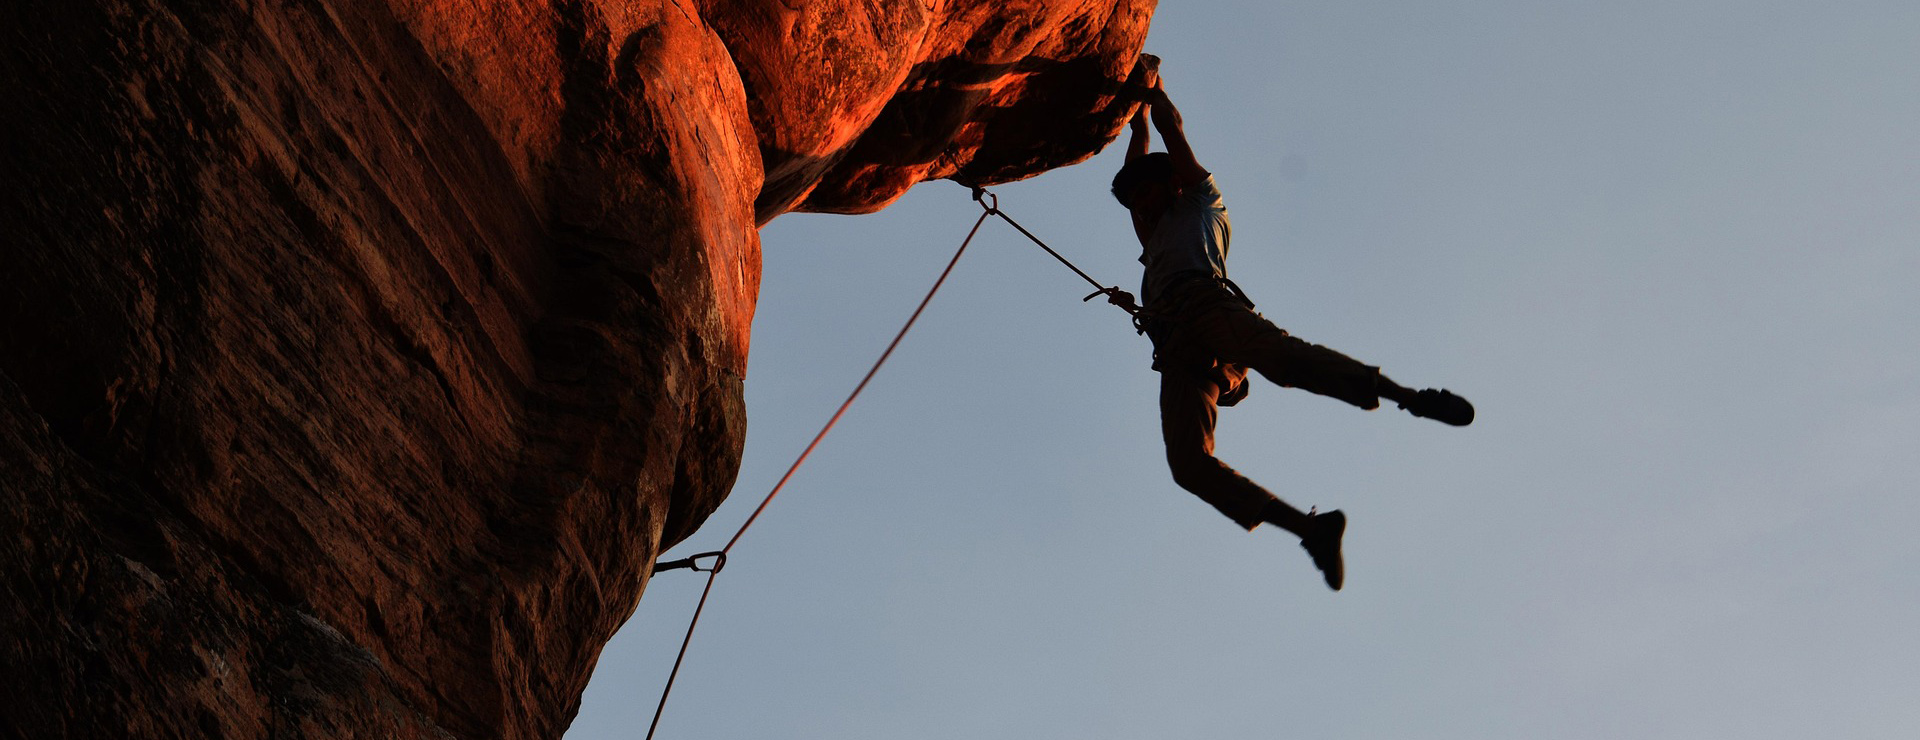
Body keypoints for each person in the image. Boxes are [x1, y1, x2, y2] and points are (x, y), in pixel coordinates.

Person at [1107, 67, 1474, 591]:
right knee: (1188, 466)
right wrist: (1134, 118)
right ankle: (1310, 529)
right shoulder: (1154, 232)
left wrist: (1153, 92)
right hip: (1177, 346)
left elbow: (1171, 132)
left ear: (1171, 184)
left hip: (1208, 307)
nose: (1140, 206)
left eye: (1147, 193)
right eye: (1135, 199)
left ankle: (1409, 397)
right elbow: (1140, 152)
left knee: (1284, 360)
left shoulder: (1200, 200)